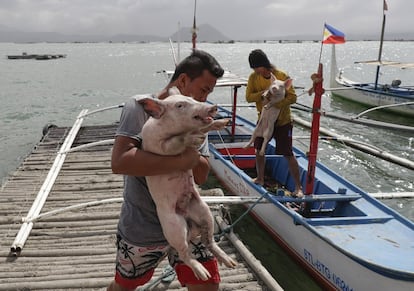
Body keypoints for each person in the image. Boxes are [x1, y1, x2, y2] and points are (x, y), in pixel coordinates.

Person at [107, 50, 225, 291]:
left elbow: (201, 176)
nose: (204, 100)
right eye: (203, 90)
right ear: (182, 81)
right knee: (124, 286)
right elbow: (120, 162)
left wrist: (193, 140)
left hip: (189, 220)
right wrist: (182, 160)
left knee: (208, 285)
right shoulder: (139, 108)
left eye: (208, 93)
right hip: (144, 225)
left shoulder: (196, 120)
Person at [245, 49, 303, 197]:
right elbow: (249, 97)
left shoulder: (282, 76)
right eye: (253, 68)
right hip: (264, 119)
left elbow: (293, 98)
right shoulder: (253, 78)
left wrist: (277, 103)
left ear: (264, 64)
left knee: (288, 153)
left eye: (257, 67)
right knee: (258, 150)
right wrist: (266, 93)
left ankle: (298, 187)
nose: (256, 70)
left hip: (283, 121)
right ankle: (260, 178)